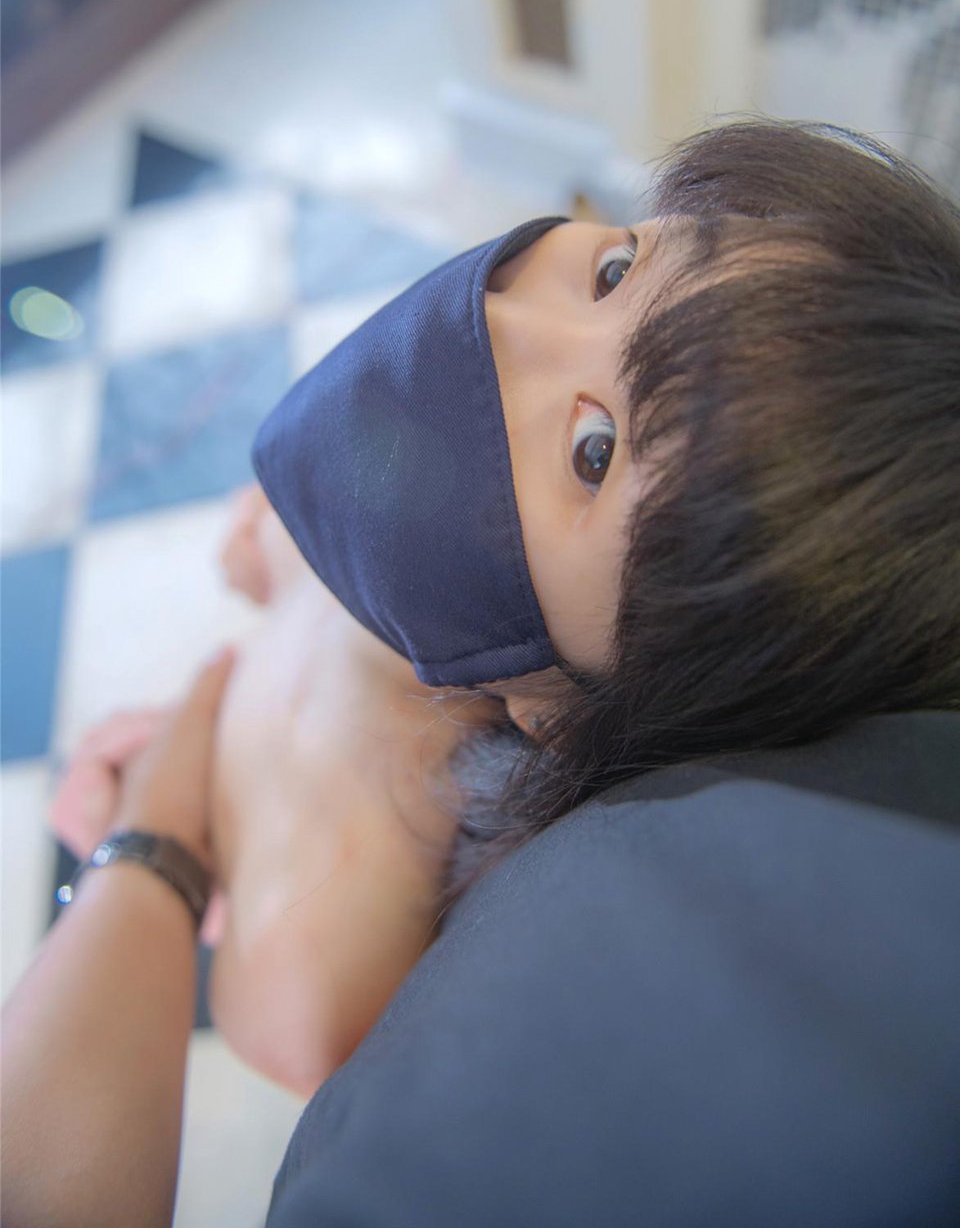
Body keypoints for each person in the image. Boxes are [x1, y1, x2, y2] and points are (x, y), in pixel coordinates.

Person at [8, 116, 960, 1222]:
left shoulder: (330, 930)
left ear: (557, 705)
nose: (505, 320)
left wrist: (165, 837)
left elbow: (290, 1031)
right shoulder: (387, 515)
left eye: (595, 451)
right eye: (616, 270)